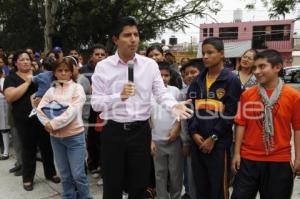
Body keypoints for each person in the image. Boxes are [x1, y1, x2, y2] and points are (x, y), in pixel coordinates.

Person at [91, 16, 192, 199]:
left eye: (136, 34)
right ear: (115, 39)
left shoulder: (149, 65)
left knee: (139, 185)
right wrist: (118, 96)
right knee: (112, 185)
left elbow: (161, 93)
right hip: (113, 131)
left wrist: (173, 106)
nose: (133, 39)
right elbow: (96, 104)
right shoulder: (103, 67)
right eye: (127, 35)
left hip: (141, 131)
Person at [231, 49, 300, 199]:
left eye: (262, 66)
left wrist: (299, 158)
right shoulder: (247, 95)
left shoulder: (293, 96)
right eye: (255, 68)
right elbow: (241, 124)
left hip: (279, 160)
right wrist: (237, 153)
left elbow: (298, 128)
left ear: (277, 67)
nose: (256, 71)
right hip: (249, 159)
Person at [187, 37, 241, 199]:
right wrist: (194, 134)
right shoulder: (197, 80)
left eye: (210, 52)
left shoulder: (231, 80)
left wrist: (214, 137)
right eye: (203, 53)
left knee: (218, 188)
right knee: (201, 186)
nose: (205, 56)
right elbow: (190, 109)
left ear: (221, 54)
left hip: (218, 144)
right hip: (198, 143)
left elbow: (230, 114)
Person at [3, 50, 59, 191]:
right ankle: (28, 178)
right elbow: (10, 97)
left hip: (43, 117)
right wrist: (27, 83)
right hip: (24, 120)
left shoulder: (40, 75)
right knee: (28, 149)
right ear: (15, 63)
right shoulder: (11, 78)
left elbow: (52, 91)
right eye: (21, 59)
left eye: (27, 59)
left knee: (47, 147)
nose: (25, 62)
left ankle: (50, 173)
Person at [36, 57, 92, 199]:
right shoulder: (51, 91)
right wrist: (46, 124)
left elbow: (72, 112)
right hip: (56, 139)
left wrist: (53, 124)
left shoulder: (77, 88)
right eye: (59, 70)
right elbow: (40, 109)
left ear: (71, 72)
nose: (63, 73)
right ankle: (68, 196)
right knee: (65, 174)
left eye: (66, 70)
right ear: (54, 72)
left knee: (78, 175)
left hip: (74, 138)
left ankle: (85, 196)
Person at [151, 62, 183, 199]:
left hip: (173, 139)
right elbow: (146, 118)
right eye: (160, 75)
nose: (163, 78)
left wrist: (177, 128)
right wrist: (150, 139)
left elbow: (181, 113)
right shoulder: (147, 93)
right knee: (159, 173)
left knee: (175, 173)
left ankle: (176, 196)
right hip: (156, 140)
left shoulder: (175, 91)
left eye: (166, 75)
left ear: (170, 77)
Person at [179, 59, 203, 199]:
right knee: (191, 174)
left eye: (193, 72)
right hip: (191, 140)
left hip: (210, 139)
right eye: (186, 73)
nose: (189, 75)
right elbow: (183, 120)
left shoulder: (209, 90)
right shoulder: (183, 94)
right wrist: (186, 142)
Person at [0, 69, 10, 160]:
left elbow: (7, 94)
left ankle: (6, 152)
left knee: (4, 129)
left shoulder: (4, 80)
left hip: (3, 104)